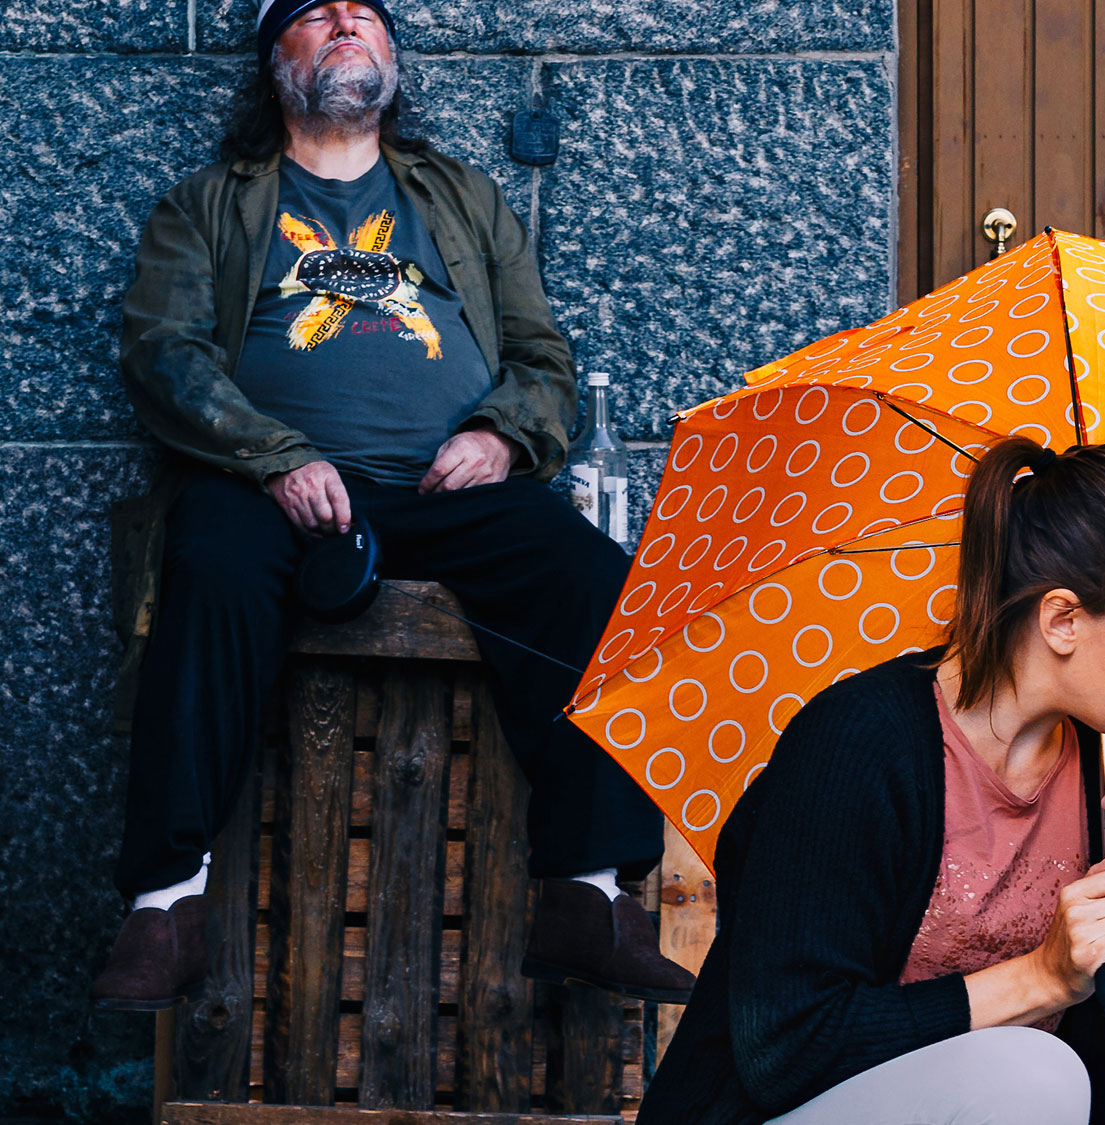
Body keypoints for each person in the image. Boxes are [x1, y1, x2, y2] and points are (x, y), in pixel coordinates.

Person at [89, 0, 694, 1008]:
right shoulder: (209, 204)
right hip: (266, 484)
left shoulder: (459, 199)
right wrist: (273, 456)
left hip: (443, 492)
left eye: (362, 16)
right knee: (208, 562)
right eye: (314, 15)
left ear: (393, 58)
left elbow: (543, 358)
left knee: (590, 579)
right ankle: (164, 906)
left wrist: (500, 435)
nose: (343, 24)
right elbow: (162, 356)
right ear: (272, 62)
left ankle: (588, 900)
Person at [637, 437, 1105, 1125]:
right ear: (1063, 619)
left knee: (1044, 1076)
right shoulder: (858, 746)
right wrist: (1040, 976)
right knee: (1032, 1072)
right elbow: (786, 1047)